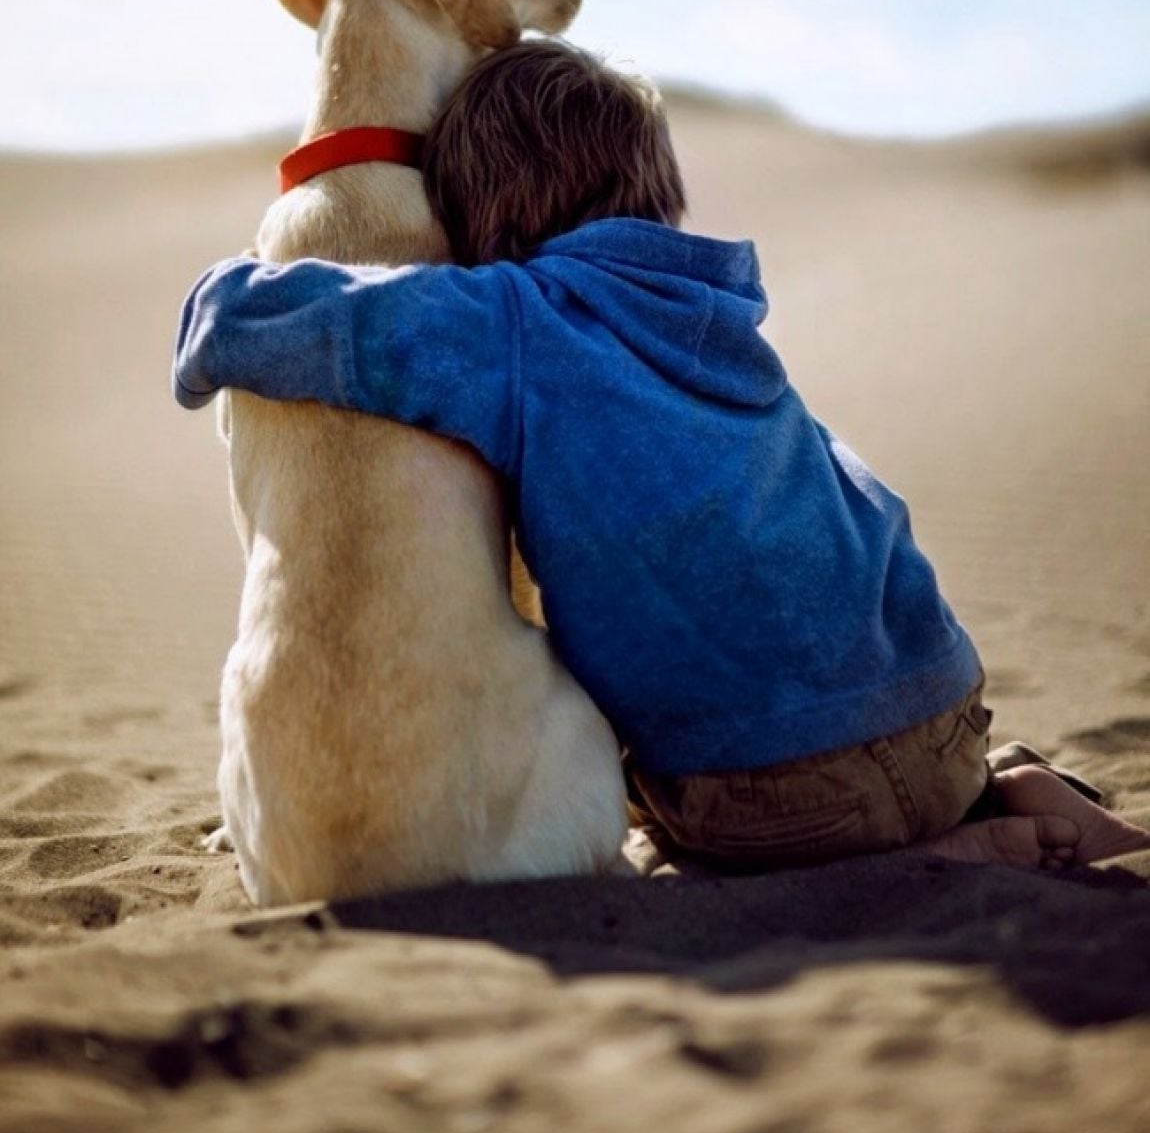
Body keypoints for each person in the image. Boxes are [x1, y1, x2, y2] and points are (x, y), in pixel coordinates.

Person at [174, 42, 1149, 872]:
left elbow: (288, 323)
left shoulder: (517, 321)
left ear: (484, 212)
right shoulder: (716, 311)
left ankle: (941, 862)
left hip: (772, 793)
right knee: (883, 749)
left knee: (669, 834)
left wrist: (216, 298)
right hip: (941, 716)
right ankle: (1000, 795)